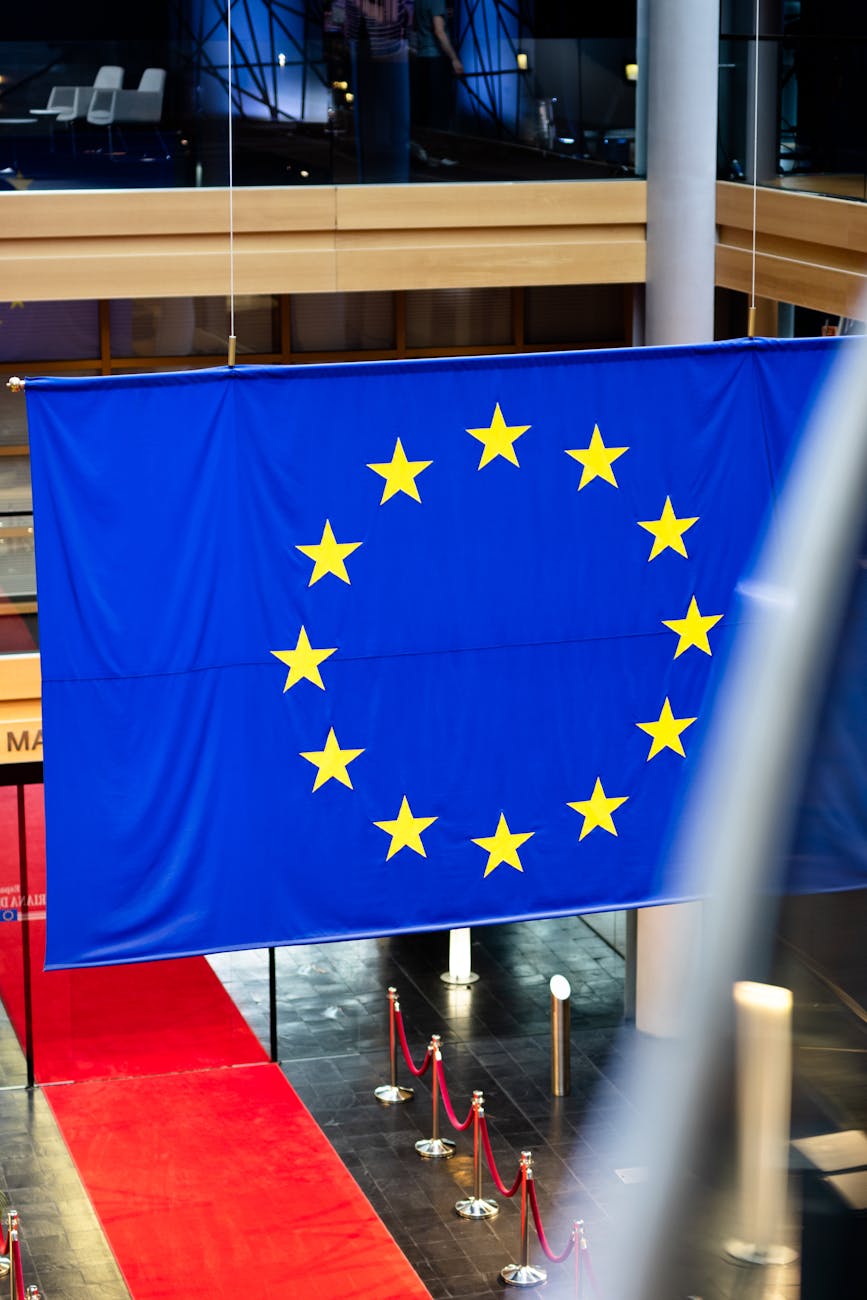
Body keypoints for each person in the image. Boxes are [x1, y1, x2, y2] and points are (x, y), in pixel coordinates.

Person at [344, 0, 412, 183]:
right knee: (369, 122)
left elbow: (390, 16)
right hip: (362, 53)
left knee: (394, 122)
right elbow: (349, 22)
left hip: (390, 53)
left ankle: (393, 180)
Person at [412, 0, 463, 131]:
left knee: (425, 110)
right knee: (439, 112)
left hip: (421, 58)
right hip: (436, 59)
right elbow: (439, 32)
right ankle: (441, 148)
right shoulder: (436, 1)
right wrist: (454, 58)